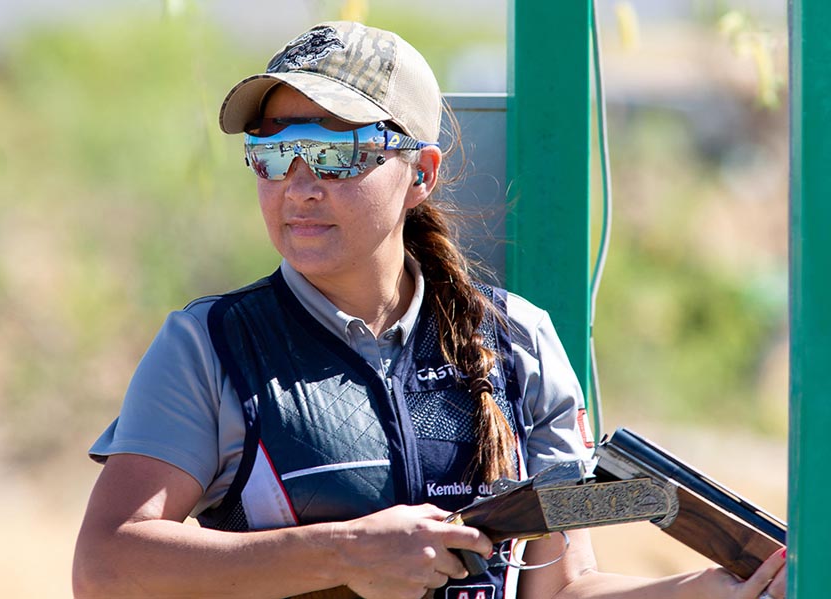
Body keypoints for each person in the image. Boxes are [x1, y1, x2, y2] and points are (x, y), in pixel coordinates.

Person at [73, 21, 787, 599]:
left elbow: (561, 587)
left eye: (335, 151)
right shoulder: (208, 345)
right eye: (273, 150)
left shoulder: (521, 341)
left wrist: (716, 589)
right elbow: (104, 568)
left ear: (422, 172)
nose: (298, 184)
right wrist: (347, 553)